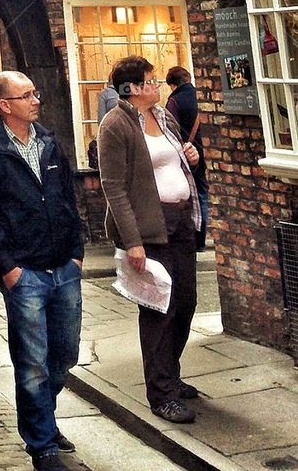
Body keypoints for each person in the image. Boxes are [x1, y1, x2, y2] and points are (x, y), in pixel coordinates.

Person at [0, 71, 83, 471]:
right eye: (26, 95)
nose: (36, 100)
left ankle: (42, 421)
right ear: (5, 105)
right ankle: (43, 445)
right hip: (25, 274)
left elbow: (69, 198)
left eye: (35, 92)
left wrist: (77, 252)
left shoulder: (49, 143)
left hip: (63, 267)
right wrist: (8, 267)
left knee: (65, 354)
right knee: (32, 362)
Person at [98, 55, 201, 425]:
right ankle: (161, 395)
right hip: (149, 226)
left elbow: (178, 162)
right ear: (132, 88)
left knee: (186, 301)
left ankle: (169, 374)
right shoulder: (116, 125)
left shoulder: (165, 116)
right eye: (150, 80)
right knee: (160, 308)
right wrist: (133, 241)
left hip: (182, 221)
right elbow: (113, 187)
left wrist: (191, 154)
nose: (157, 85)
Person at [165, 67, 209, 252]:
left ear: (172, 84)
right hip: (203, 151)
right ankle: (202, 238)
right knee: (202, 194)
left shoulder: (174, 101)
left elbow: (169, 130)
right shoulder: (202, 96)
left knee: (190, 196)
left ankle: (193, 236)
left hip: (185, 153)